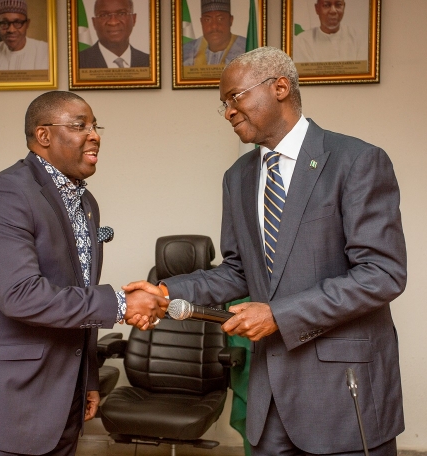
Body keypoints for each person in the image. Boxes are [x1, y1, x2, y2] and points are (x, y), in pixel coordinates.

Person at [125, 47, 407, 455]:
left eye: (235, 97)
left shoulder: (357, 161)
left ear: (279, 87)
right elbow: (239, 271)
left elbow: (381, 274)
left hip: (343, 395)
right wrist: (166, 293)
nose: (228, 112)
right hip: (269, 397)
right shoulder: (238, 177)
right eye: (222, 104)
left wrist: (279, 314)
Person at [0, 91, 167, 456]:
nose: (94, 135)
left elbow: (79, 292)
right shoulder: (7, 193)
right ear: (44, 135)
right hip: (7, 403)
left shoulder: (85, 202)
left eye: (95, 126)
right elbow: (21, 295)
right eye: (80, 126)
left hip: (63, 401)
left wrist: (88, 379)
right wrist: (123, 302)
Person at [0, 0, 49, 71]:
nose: (11, 30)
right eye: (4, 23)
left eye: (17, 22)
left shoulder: (45, 52)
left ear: (27, 24)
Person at [79, 0, 149, 69]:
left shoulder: (150, 62)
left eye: (122, 13)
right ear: (94, 23)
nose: (113, 22)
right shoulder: (78, 62)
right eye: (104, 15)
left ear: (133, 19)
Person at [293, 0, 367, 62]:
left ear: (344, 7)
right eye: (326, 5)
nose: (333, 11)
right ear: (317, 8)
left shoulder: (358, 39)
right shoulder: (302, 42)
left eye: (338, 5)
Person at [183, 0, 246, 67]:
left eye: (220, 19)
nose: (214, 26)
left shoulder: (247, 48)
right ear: (201, 22)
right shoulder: (186, 51)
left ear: (230, 20)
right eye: (208, 20)